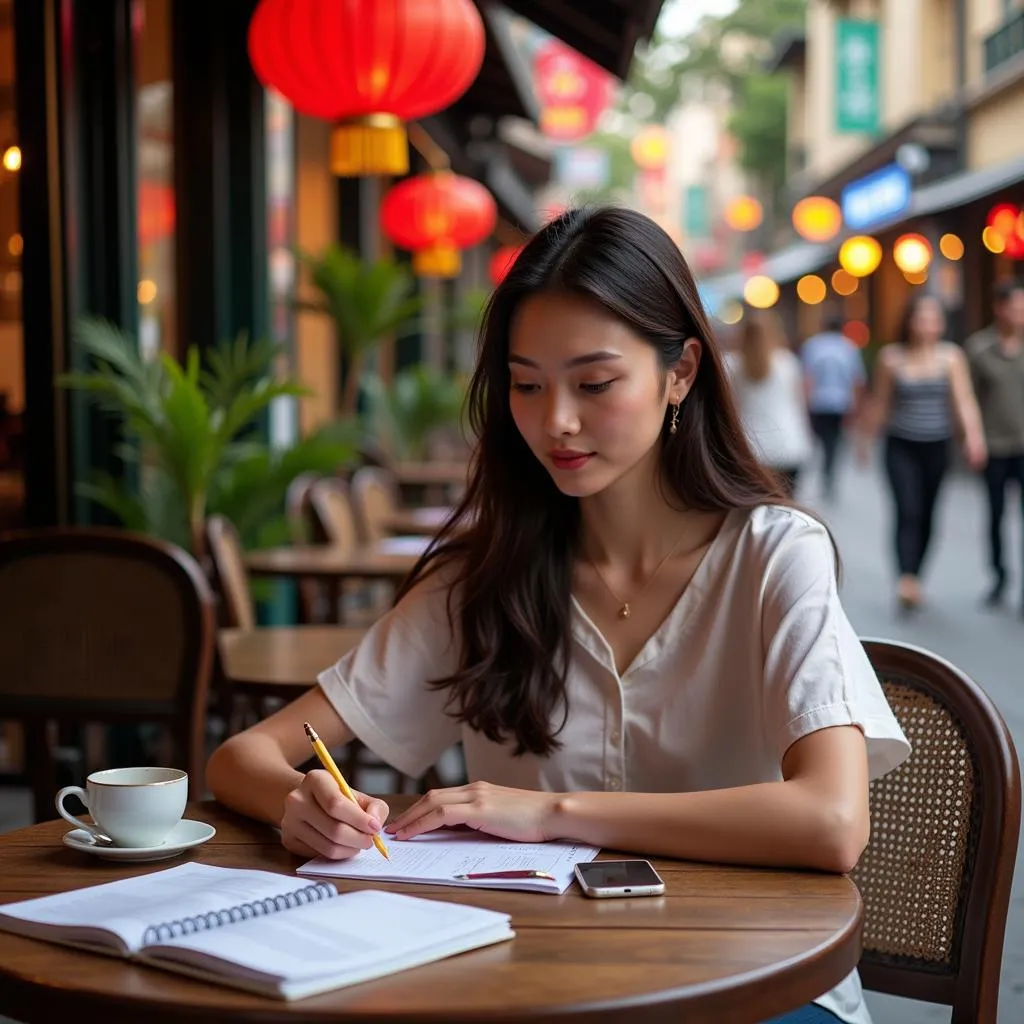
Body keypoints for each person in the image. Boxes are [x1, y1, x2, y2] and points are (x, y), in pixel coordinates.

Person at [207, 207, 910, 1024]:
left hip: (754, 980)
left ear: (679, 372)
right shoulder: (487, 574)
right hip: (541, 987)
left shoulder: (773, 554)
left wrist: (545, 812)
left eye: (595, 383)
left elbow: (830, 821)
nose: (556, 422)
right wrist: (300, 805)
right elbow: (242, 756)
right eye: (528, 384)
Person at [859, 294, 986, 611]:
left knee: (929, 513)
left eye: (933, 318)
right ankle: (906, 578)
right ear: (909, 321)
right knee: (908, 509)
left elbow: (964, 400)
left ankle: (916, 573)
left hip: (937, 447)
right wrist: (865, 439)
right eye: (921, 317)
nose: (928, 324)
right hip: (901, 444)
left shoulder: (951, 358)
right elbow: (881, 403)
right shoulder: (892, 358)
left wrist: (973, 437)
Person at [966, 280, 1024, 611]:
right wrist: (973, 439)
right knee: (997, 513)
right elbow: (968, 399)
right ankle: (1000, 576)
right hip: (994, 445)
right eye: (1013, 307)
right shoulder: (979, 349)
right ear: (999, 308)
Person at [726, 309, 813, 497]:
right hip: (789, 443)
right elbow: (801, 403)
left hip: (751, 446)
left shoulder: (732, 365)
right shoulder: (787, 362)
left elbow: (730, 408)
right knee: (787, 510)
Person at [801, 313, 867, 500]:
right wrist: (856, 407)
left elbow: (807, 377)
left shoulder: (812, 345)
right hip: (841, 403)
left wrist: (804, 404)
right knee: (834, 443)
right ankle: (828, 474)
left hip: (817, 402)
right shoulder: (849, 347)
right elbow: (856, 380)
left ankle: (821, 473)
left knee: (818, 441)